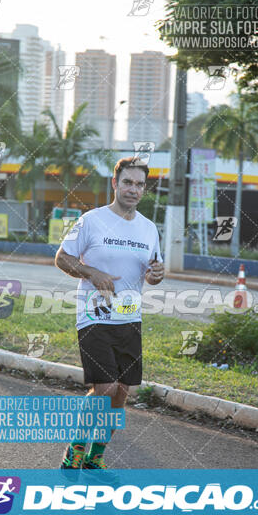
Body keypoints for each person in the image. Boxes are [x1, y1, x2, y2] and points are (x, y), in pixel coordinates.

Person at [55, 157, 164, 476]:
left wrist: (157, 274)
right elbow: (62, 258)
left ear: (144, 189)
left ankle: (95, 456)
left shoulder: (148, 228)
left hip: (130, 319)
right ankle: (75, 448)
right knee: (105, 387)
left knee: (121, 393)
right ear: (115, 184)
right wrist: (91, 272)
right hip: (94, 316)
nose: (133, 189)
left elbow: (152, 273)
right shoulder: (92, 221)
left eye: (140, 184)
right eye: (128, 182)